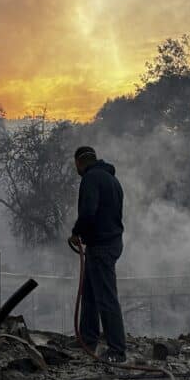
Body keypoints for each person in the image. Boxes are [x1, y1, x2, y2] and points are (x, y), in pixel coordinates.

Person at [69, 145, 127, 363]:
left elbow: (88, 211)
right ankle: (88, 338)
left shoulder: (91, 178)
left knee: (106, 298)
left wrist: (76, 233)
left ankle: (117, 350)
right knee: (90, 294)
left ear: (79, 162)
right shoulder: (112, 180)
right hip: (110, 242)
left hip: (101, 246)